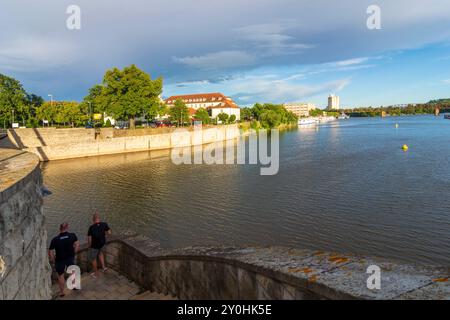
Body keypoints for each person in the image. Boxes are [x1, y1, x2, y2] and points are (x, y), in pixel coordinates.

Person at [48, 222, 79, 297]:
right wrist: (74, 252)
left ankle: (62, 292)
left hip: (59, 260)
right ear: (67, 228)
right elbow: (77, 244)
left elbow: (50, 251)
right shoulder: (72, 235)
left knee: (61, 275)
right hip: (70, 257)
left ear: (60, 229)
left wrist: (53, 259)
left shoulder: (55, 239)